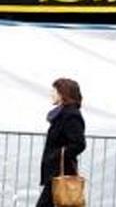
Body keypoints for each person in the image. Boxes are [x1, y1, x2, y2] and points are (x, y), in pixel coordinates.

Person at [37, 78, 86, 207]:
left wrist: (57, 155)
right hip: (55, 173)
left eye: (54, 91)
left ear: (63, 93)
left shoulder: (71, 115)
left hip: (61, 173)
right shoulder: (61, 114)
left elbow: (79, 144)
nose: (51, 94)